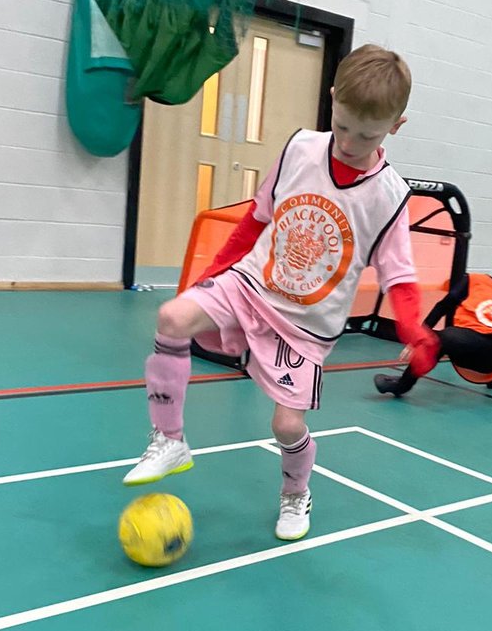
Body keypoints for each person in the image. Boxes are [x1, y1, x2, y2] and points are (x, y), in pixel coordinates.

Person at [123, 44, 439, 539]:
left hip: (306, 324)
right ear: (332, 100)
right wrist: (209, 275)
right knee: (172, 317)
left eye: (368, 133)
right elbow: (256, 219)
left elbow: (399, 274)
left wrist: (414, 329)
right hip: (251, 283)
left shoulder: (391, 197)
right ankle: (169, 439)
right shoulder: (300, 149)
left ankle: (295, 495)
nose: (352, 142)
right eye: (344, 125)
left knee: (286, 427)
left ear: (395, 126)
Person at [373, 239, 492, 414]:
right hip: (467, 345)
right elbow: (443, 306)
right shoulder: (475, 282)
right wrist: (418, 339)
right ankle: (402, 384)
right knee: (444, 337)